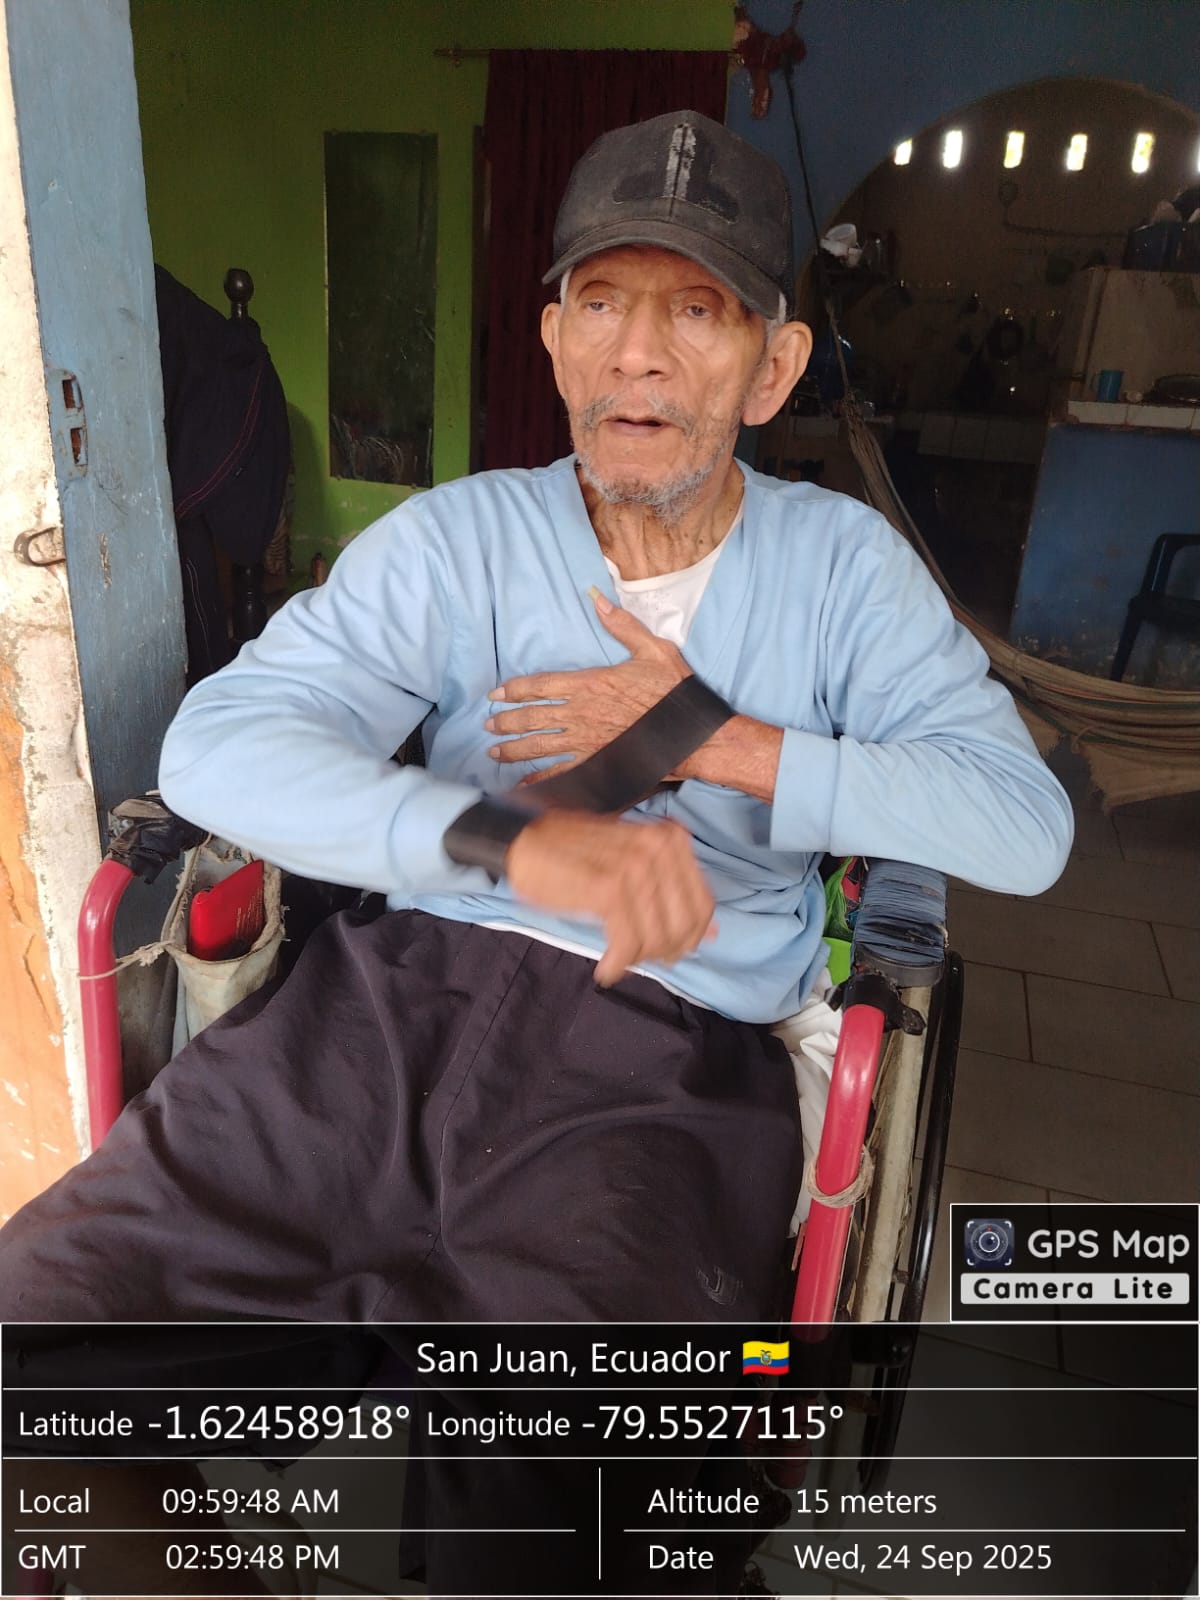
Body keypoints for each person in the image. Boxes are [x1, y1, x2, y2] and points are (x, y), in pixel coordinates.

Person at [0, 109, 1073, 1596]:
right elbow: (218, 748)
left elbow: (1024, 825)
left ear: (773, 367)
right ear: (557, 340)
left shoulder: (844, 573)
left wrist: (713, 737)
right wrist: (506, 841)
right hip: (385, 1008)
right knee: (42, 1355)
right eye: (605, 303)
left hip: (672, 1064)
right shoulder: (457, 545)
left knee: (565, 1511)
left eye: (697, 311)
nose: (641, 356)